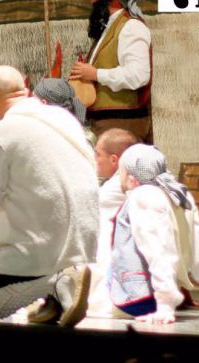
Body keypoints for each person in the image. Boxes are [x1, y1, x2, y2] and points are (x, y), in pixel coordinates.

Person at [0, 65, 99, 326]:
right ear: (25, 87)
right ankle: (55, 298)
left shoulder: (4, 130)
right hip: (82, 236)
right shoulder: (64, 119)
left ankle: (55, 283)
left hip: (45, 239)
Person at [106, 144, 199, 323]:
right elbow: (196, 254)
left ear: (132, 177)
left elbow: (158, 252)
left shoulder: (144, 196)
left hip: (135, 299)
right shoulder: (181, 196)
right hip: (158, 298)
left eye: (122, 172)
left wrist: (165, 305)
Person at [69, 0, 153, 144]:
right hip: (106, 124)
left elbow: (138, 75)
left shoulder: (131, 28)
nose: (92, 0)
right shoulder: (109, 30)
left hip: (122, 124)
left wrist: (96, 74)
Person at [87, 128, 138, 316]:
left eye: (98, 154)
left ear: (114, 160)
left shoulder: (121, 184)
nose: (95, 159)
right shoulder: (118, 181)